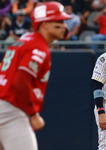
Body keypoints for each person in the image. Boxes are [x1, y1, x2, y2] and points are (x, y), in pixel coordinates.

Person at [0, 2, 71, 150]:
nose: (64, 25)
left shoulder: (23, 40)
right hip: (11, 110)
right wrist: (33, 114)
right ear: (44, 24)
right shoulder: (38, 46)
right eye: (59, 21)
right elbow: (20, 82)